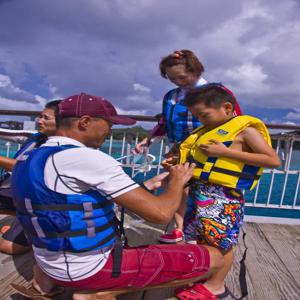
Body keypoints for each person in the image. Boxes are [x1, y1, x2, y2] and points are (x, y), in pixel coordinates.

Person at [11, 92, 226, 300]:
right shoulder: (85, 158)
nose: (110, 131)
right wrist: (177, 182)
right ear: (85, 121)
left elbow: (69, 199)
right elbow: (160, 214)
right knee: (214, 257)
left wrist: (149, 185)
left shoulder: (30, 155)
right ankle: (98, 293)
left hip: (49, 262)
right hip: (88, 269)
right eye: (109, 124)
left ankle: (46, 283)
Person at [175, 83, 281, 299]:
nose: (200, 121)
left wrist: (225, 152)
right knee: (200, 239)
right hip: (199, 194)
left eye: (203, 115)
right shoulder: (206, 132)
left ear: (226, 107)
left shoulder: (246, 132)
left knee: (221, 243)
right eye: (197, 117)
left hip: (224, 198)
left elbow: (272, 160)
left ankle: (217, 286)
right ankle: (204, 278)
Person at [137, 49, 243, 244]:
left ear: (195, 70)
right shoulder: (171, 96)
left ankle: (207, 228)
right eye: (172, 79)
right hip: (179, 149)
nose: (177, 82)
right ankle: (181, 229)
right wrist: (149, 139)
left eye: (182, 77)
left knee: (204, 188)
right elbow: (164, 122)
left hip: (209, 149)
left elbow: (236, 121)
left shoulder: (216, 93)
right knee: (178, 186)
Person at [0, 100, 60, 254]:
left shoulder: (61, 148)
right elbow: (6, 133)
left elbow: (26, 169)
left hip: (36, 202)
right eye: (40, 116)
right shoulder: (35, 137)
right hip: (14, 192)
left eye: (46, 118)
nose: (39, 121)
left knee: (10, 247)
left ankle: (25, 227)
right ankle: (19, 219)